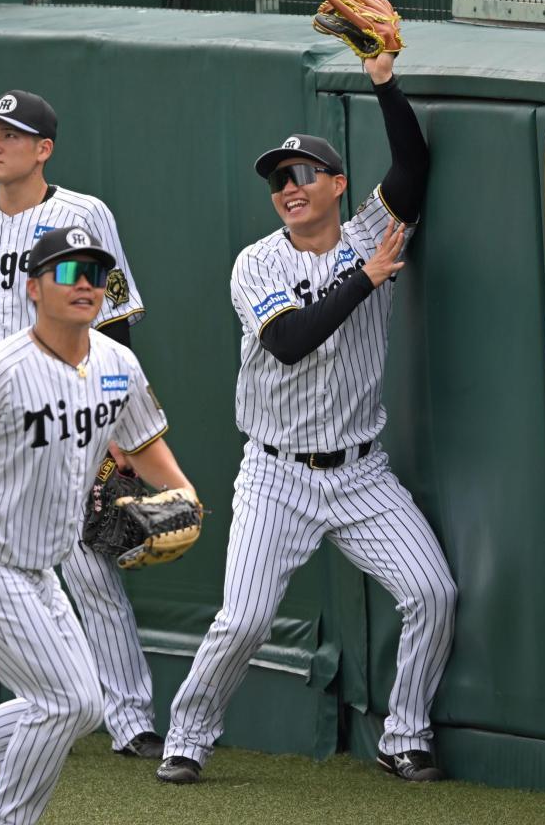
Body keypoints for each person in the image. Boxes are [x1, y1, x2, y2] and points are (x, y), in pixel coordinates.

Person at [156, 53, 457, 785]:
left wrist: (383, 79)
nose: (287, 187)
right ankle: (188, 736)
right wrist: (366, 279)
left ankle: (404, 733)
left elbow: (412, 166)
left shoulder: (368, 235)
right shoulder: (255, 265)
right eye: (276, 179)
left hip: (360, 472)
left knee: (431, 593)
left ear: (337, 185)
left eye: (301, 174)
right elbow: (289, 343)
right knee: (245, 621)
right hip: (275, 473)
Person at [0, 227, 196, 825]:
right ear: (32, 288)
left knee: (80, 708)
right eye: (66, 271)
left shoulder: (117, 362)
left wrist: (182, 491)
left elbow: (144, 441)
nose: (84, 283)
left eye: (94, 273)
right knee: (66, 702)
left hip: (40, 566)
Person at [0, 90, 165, 758]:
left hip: (65, 413)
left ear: (43, 149)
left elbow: (113, 317)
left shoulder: (82, 216)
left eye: (11, 134)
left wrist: (114, 421)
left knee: (85, 563)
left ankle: (129, 715)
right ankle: (48, 703)